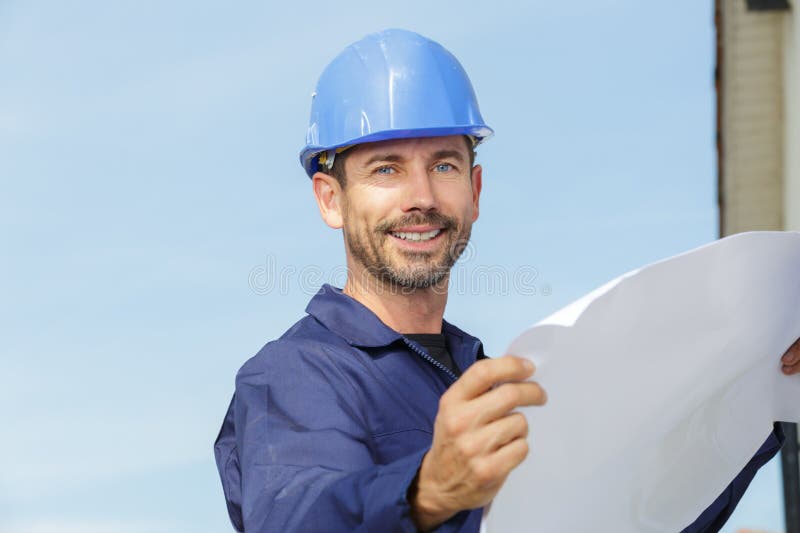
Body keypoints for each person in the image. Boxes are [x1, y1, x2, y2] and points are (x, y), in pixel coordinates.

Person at [214, 28, 800, 532]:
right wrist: (427, 491)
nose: (420, 198)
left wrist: (762, 394)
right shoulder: (294, 375)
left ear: (474, 192)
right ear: (330, 199)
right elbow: (298, 514)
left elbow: (632, 511)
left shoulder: (495, 383)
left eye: (443, 165)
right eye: (385, 169)